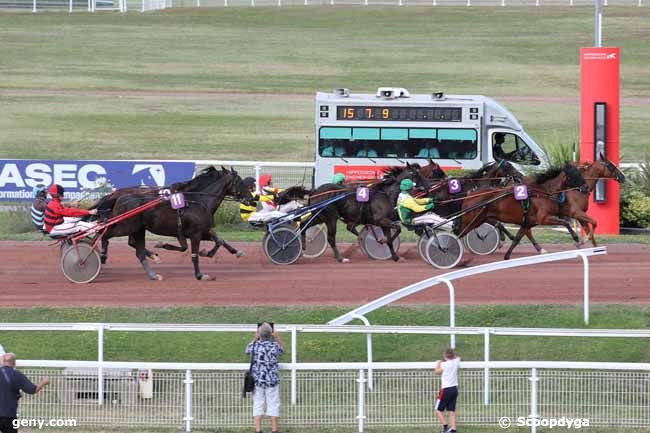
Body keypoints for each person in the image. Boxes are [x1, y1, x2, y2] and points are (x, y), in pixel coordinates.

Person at [245, 323, 285, 433]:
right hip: (272, 380)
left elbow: (247, 349)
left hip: (258, 381)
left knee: (258, 404)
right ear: (271, 334)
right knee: (273, 404)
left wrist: (255, 337)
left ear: (259, 334)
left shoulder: (254, 346)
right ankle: (274, 430)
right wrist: (277, 338)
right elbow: (283, 349)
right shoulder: (275, 346)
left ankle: (258, 430)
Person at [0, 353, 49, 433]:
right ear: (14, 363)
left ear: (2, 362)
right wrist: (44, 382)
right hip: (9, 415)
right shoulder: (16, 374)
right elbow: (32, 390)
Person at [434, 348, 461, 433]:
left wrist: (438, 363)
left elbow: (437, 371)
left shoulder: (444, 365)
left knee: (438, 410)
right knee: (451, 410)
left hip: (445, 390)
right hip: (454, 389)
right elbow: (458, 357)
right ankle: (453, 429)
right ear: (453, 356)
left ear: (445, 356)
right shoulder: (456, 362)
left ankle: (445, 427)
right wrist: (454, 356)